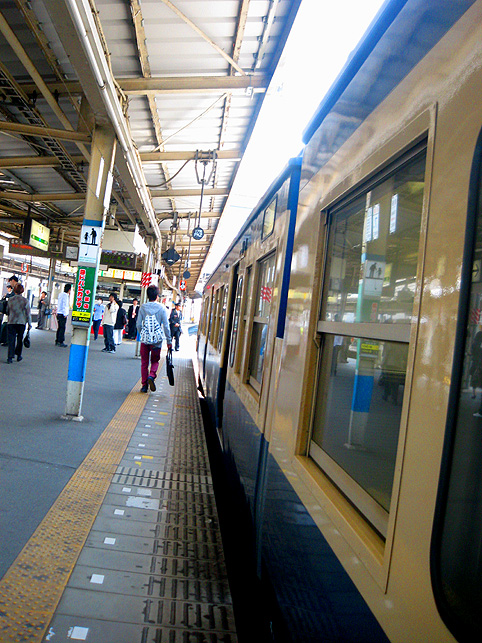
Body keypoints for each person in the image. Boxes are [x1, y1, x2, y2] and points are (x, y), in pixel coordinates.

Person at [137, 285, 171, 393]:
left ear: (148, 296)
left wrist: (143, 334)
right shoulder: (162, 308)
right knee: (155, 361)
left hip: (145, 340)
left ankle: (144, 386)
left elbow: (138, 324)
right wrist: (169, 341)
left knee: (144, 363)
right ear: (157, 296)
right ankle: (151, 375)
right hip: (157, 340)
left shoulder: (143, 307)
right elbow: (166, 326)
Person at [6, 283, 32, 363]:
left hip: (11, 322)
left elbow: (7, 311)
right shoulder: (25, 301)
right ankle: (18, 355)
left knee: (11, 340)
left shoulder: (10, 300)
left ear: (14, 290)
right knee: (20, 339)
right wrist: (29, 324)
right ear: (22, 291)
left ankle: (10, 357)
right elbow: (28, 313)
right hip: (21, 322)